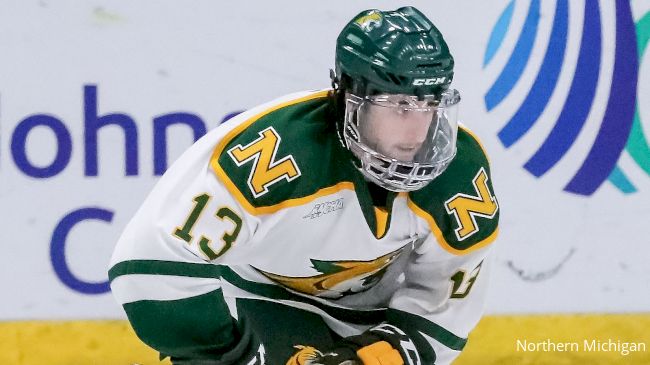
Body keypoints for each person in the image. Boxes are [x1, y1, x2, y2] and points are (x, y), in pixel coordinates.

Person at [109, 6, 499, 365]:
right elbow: (147, 263)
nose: (418, 132)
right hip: (255, 303)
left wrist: (373, 357)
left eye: (430, 105)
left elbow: (444, 308)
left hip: (370, 322)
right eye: (399, 106)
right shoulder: (271, 156)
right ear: (350, 96)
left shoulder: (461, 175)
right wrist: (234, 355)